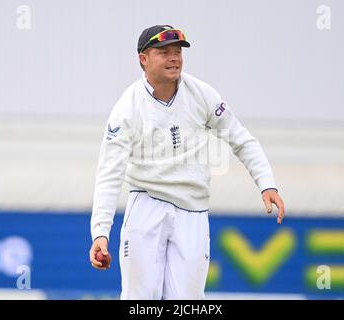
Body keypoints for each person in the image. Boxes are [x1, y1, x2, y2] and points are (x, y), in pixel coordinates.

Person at [89, 24, 285, 300]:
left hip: (193, 211)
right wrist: (100, 233)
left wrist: (267, 184)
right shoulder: (127, 108)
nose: (174, 58)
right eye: (164, 51)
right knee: (139, 299)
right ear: (143, 59)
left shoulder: (201, 94)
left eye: (178, 51)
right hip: (147, 204)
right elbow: (109, 173)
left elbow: (241, 139)